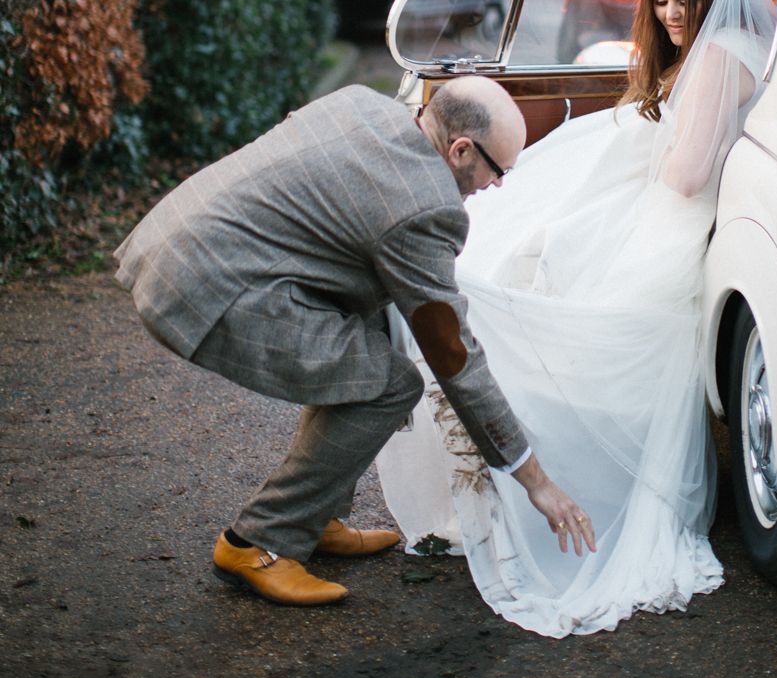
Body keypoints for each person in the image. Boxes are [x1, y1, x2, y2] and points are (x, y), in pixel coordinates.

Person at [377, 0, 776, 637]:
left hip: (672, 218)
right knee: (531, 248)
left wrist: (646, 148)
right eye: (660, 1)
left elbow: (687, 175)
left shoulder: (720, 54)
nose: (670, 16)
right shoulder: (724, 47)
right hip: (664, 207)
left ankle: (554, 480)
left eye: (683, 1)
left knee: (540, 286)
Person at [114, 76, 595, 608]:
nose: (499, 184)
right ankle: (260, 543)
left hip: (180, 240)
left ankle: (314, 515)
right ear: (460, 150)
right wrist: (534, 480)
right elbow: (454, 355)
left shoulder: (363, 103)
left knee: (362, 342)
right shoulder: (424, 208)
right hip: (208, 288)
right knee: (389, 384)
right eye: (498, 170)